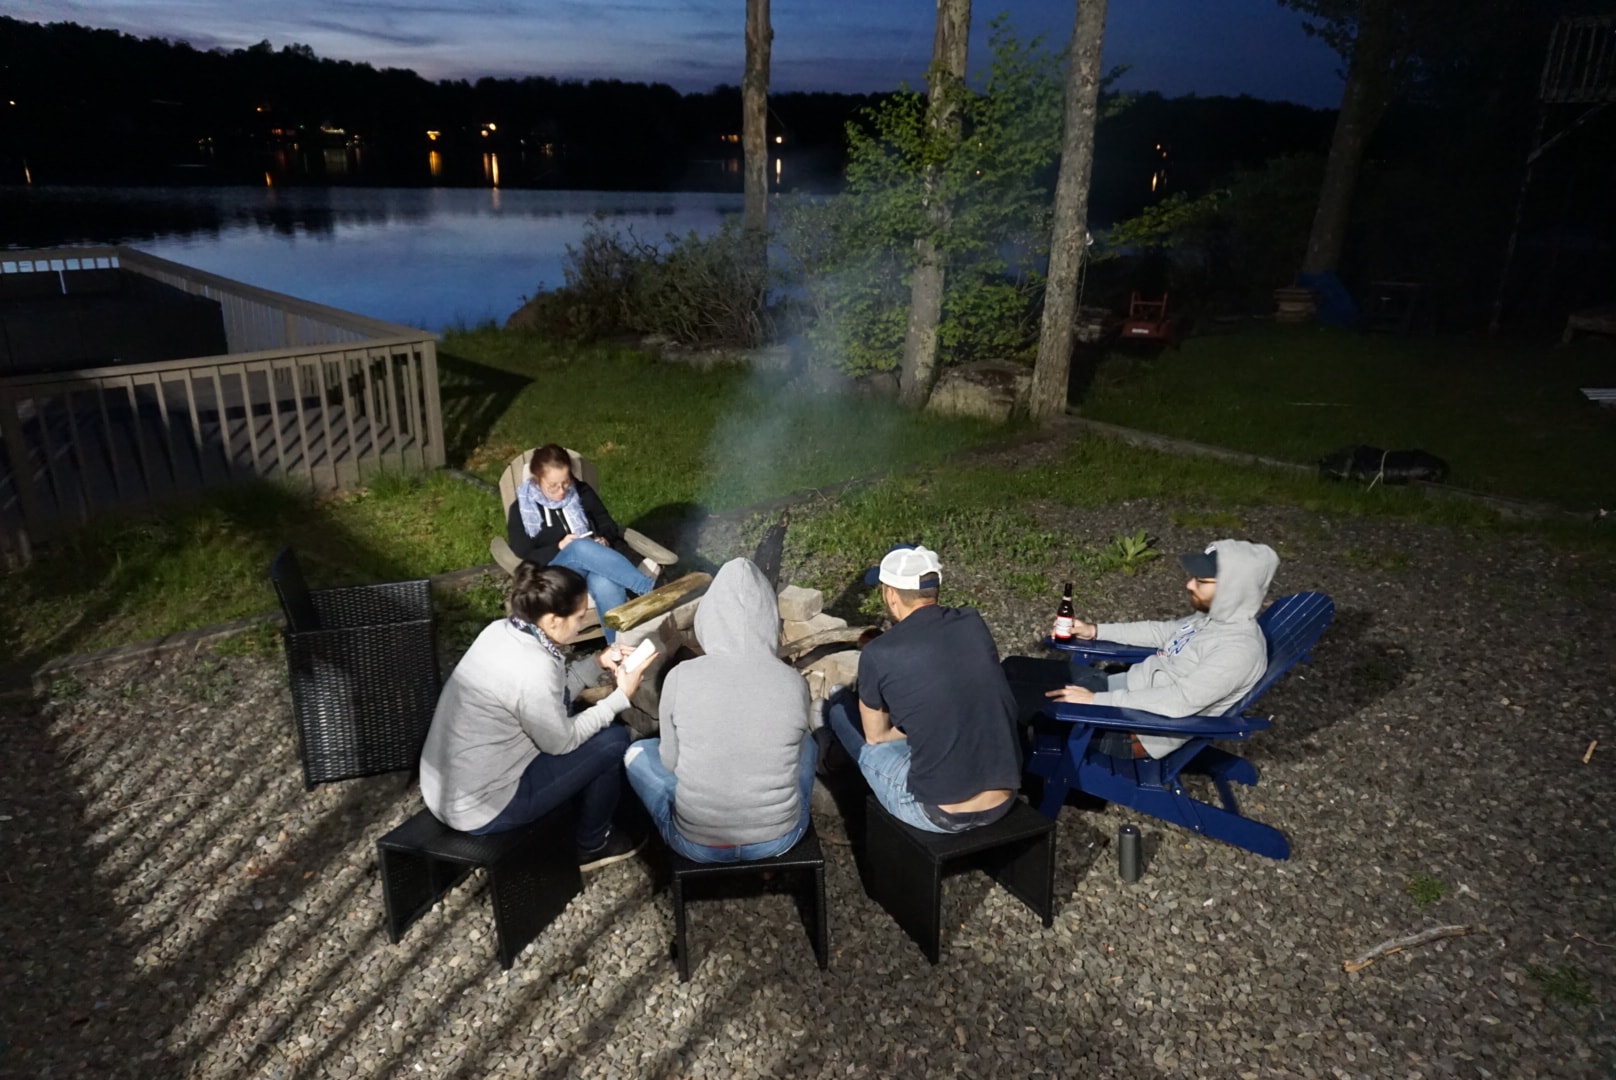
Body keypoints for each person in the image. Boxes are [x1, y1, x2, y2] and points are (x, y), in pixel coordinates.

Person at [419, 563, 646, 870]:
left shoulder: (502, 631)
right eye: (580, 617)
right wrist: (620, 697)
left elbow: (546, 697)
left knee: (589, 722)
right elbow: (562, 743)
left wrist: (597, 663)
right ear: (553, 620)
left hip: (443, 789)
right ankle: (593, 844)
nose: (582, 625)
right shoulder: (534, 666)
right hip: (483, 806)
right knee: (614, 740)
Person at [623, 558, 817, 861]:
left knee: (636, 753)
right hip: (778, 839)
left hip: (698, 844)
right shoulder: (793, 681)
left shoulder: (680, 676)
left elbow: (670, 763)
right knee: (810, 745)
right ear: (769, 619)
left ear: (709, 616)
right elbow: (793, 756)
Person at [823, 544, 1023, 833]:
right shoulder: (973, 623)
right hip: (1003, 799)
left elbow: (876, 738)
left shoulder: (879, 653)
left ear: (891, 595)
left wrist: (906, 725)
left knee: (840, 710)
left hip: (938, 812)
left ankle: (828, 753)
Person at [1043, 538, 1280, 759]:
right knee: (1024, 671)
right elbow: (1161, 632)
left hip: (1137, 729)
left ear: (1233, 590)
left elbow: (1179, 700)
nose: (1189, 584)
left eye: (1201, 581)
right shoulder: (1214, 618)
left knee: (1027, 703)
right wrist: (1095, 631)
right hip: (1125, 693)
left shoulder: (1238, 651)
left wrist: (1095, 701)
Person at [506, 443, 656, 643]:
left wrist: (603, 539)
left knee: (606, 584)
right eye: (553, 486)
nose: (561, 491)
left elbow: (608, 525)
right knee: (577, 547)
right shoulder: (522, 508)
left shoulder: (582, 492)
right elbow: (523, 551)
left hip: (592, 565)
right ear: (537, 479)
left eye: (566, 482)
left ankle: (618, 650)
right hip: (551, 575)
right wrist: (559, 547)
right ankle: (650, 589)